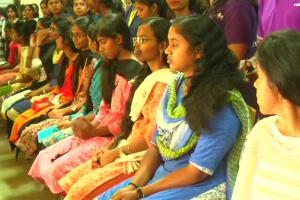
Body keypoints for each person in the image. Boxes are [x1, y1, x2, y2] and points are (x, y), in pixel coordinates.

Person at [98, 15, 244, 200]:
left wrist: (142, 192)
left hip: (197, 185)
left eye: (174, 45)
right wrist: (134, 185)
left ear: (198, 51)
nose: (166, 50)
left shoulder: (220, 103)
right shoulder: (176, 86)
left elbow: (196, 173)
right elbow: (156, 146)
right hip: (164, 177)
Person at [58, 16, 172, 200]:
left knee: (80, 191)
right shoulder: (146, 76)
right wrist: (113, 144)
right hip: (122, 141)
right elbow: (126, 120)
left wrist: (116, 150)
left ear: (162, 45)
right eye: (137, 39)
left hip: (139, 154)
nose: (137, 45)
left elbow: (150, 137)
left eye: (144, 40)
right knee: (75, 180)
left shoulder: (165, 82)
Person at [28, 14, 141, 194]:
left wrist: (95, 131)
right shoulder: (110, 65)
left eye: (103, 42)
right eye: (98, 42)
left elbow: (127, 120)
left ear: (119, 39)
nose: (100, 48)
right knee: (45, 155)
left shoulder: (135, 72)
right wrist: (89, 127)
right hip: (101, 129)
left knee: (59, 167)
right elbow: (104, 108)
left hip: (116, 136)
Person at [232, 30, 300, 200]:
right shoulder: (261, 131)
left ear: (278, 85)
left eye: (260, 77)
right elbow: (241, 193)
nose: (255, 84)